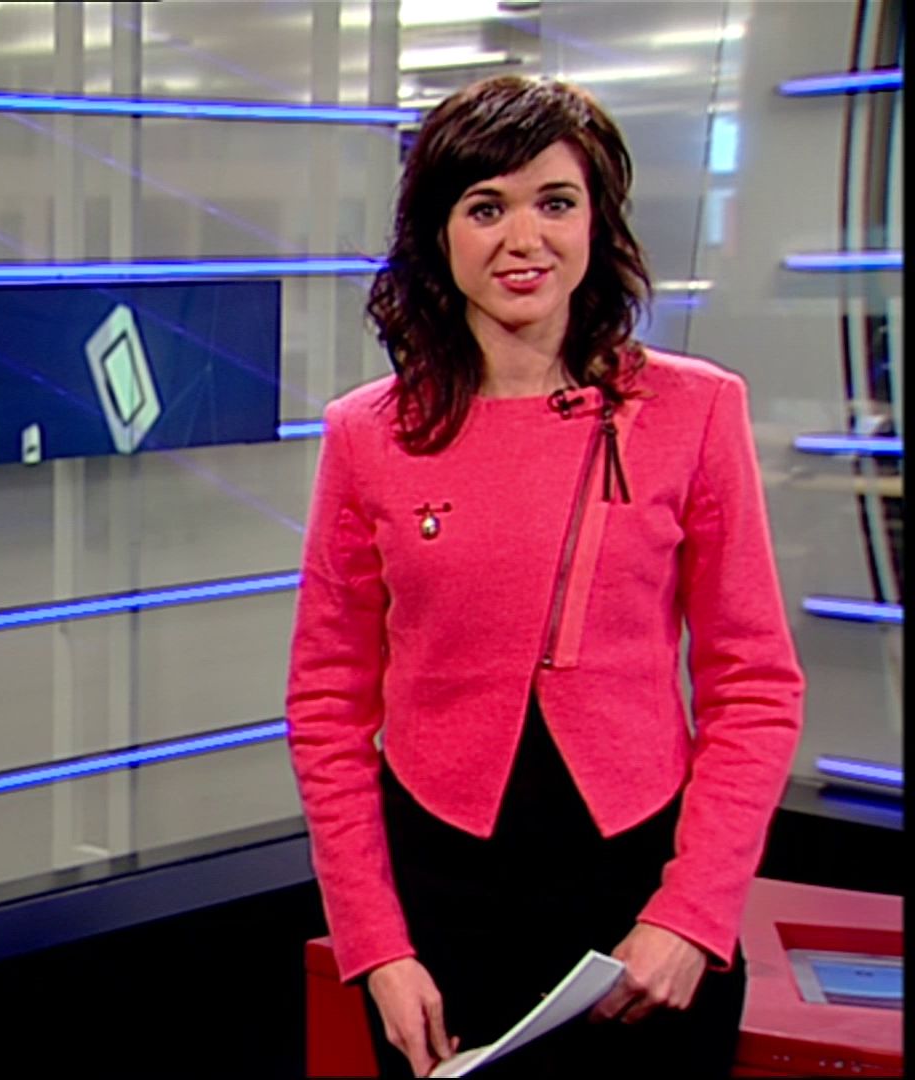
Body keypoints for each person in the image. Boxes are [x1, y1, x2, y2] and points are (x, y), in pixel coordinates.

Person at [285, 75, 804, 1078]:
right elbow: (327, 705)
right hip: (440, 910)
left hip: (643, 900)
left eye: (555, 203)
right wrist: (377, 947)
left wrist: (691, 915)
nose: (523, 239)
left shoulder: (696, 412)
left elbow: (755, 688)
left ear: (596, 221)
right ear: (438, 233)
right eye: (486, 208)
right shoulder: (367, 434)